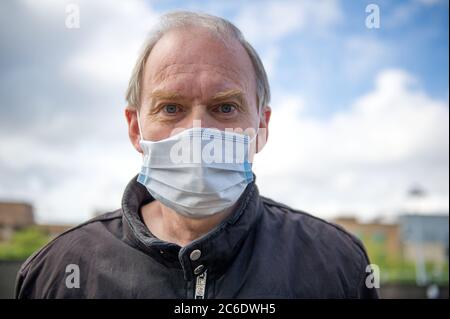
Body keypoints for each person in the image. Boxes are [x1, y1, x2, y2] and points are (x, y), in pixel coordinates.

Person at [15, 11, 378, 299]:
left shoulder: (335, 264)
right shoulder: (58, 272)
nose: (197, 132)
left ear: (262, 126)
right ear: (135, 128)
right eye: (171, 108)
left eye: (225, 108)